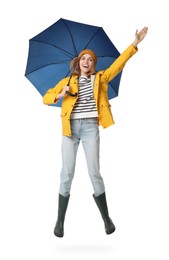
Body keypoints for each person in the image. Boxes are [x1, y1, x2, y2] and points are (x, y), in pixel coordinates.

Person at [43, 27, 148, 237]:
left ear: (94, 64)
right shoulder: (68, 82)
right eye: (83, 58)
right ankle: (60, 221)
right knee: (67, 174)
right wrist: (60, 94)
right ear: (78, 62)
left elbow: (118, 65)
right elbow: (46, 97)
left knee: (94, 173)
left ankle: (106, 219)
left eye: (90, 59)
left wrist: (134, 43)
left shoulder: (100, 78)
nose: (86, 62)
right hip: (69, 130)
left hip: (90, 127)